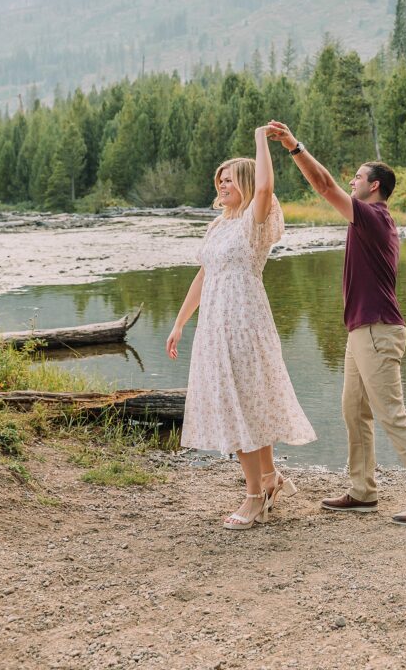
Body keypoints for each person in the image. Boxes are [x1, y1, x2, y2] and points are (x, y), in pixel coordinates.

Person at [267, 121, 406, 527]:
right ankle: (363, 491)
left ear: (375, 186)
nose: (352, 181)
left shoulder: (374, 217)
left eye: (359, 178)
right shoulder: (366, 219)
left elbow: (323, 185)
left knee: (392, 414)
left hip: (377, 329)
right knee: (354, 411)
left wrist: (294, 146)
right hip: (362, 331)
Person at [166, 126, 316, 530]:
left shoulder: (254, 219)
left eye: (230, 179)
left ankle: (253, 497)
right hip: (214, 326)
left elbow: (265, 188)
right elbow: (205, 275)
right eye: (220, 179)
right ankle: (268, 480)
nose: (222, 184)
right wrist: (179, 323)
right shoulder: (218, 225)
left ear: (246, 183)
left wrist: (261, 140)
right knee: (241, 400)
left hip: (245, 322)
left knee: (244, 402)